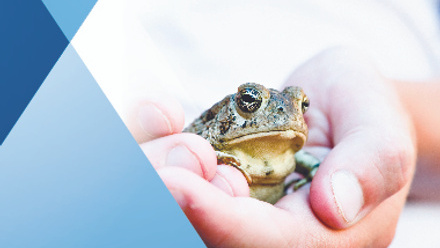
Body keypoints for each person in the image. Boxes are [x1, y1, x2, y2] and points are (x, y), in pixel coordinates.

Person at [72, 0, 440, 246]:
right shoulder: (207, 142)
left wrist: (400, 120)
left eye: (302, 106)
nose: (289, 116)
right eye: (251, 103)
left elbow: (313, 163)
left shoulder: (301, 157)